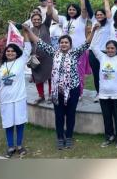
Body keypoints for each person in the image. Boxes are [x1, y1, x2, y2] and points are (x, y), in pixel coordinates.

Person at [24, 22, 96, 150]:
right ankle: (60, 138)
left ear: (70, 44)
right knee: (59, 115)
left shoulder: (75, 53)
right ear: (59, 44)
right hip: (57, 91)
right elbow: (39, 41)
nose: (63, 44)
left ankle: (68, 137)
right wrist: (28, 30)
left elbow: (87, 43)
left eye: (66, 42)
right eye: (62, 42)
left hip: (73, 89)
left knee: (70, 114)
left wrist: (93, 30)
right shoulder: (54, 53)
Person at [0, 28, 32, 158]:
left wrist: (25, 33)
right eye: (8, 51)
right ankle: (10, 147)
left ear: (16, 53)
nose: (10, 53)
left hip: (19, 98)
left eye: (13, 51)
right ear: (5, 53)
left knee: (19, 122)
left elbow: (28, 48)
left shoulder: (20, 61)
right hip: (6, 100)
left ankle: (19, 146)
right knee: (8, 124)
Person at [90, 22, 117, 149]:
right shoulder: (102, 57)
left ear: (116, 49)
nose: (110, 50)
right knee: (106, 117)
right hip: (103, 94)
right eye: (108, 48)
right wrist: (96, 31)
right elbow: (93, 46)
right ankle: (109, 136)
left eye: (112, 48)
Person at [55, 0, 89, 101]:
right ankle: (68, 89)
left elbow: (84, 9)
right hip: (66, 51)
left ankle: (79, 93)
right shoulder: (64, 20)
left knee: (79, 72)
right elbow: (51, 14)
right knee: (67, 72)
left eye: (73, 9)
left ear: (77, 11)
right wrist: (50, 3)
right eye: (69, 9)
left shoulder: (81, 20)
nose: (71, 11)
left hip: (79, 51)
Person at [83, 0, 113, 102]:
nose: (99, 16)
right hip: (93, 52)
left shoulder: (109, 23)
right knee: (96, 73)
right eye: (97, 15)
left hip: (105, 52)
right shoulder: (95, 22)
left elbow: (107, 7)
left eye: (101, 15)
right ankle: (99, 93)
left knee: (107, 72)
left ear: (105, 16)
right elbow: (89, 9)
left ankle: (108, 93)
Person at [28, 0, 54, 104]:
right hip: (36, 58)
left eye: (38, 19)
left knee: (50, 76)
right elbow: (27, 45)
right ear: (31, 20)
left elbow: (49, 15)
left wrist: (49, 4)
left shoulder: (46, 26)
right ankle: (41, 96)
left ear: (41, 20)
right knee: (37, 77)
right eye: (34, 19)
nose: (36, 21)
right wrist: (32, 55)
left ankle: (51, 95)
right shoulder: (30, 31)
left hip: (48, 57)